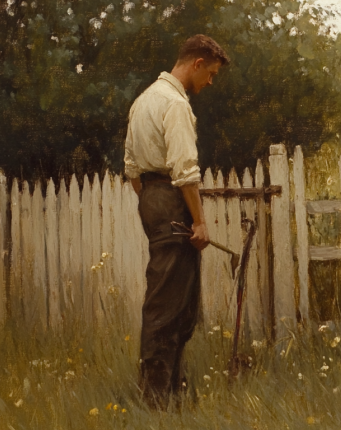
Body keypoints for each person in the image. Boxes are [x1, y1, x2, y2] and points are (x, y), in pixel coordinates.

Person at [123, 34, 230, 409]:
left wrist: (153, 202)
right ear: (197, 63)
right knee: (171, 305)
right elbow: (186, 171)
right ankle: (155, 400)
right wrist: (199, 221)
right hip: (171, 198)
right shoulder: (175, 104)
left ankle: (171, 391)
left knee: (174, 301)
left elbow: (132, 171)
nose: (211, 83)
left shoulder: (142, 101)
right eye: (211, 74)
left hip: (151, 199)